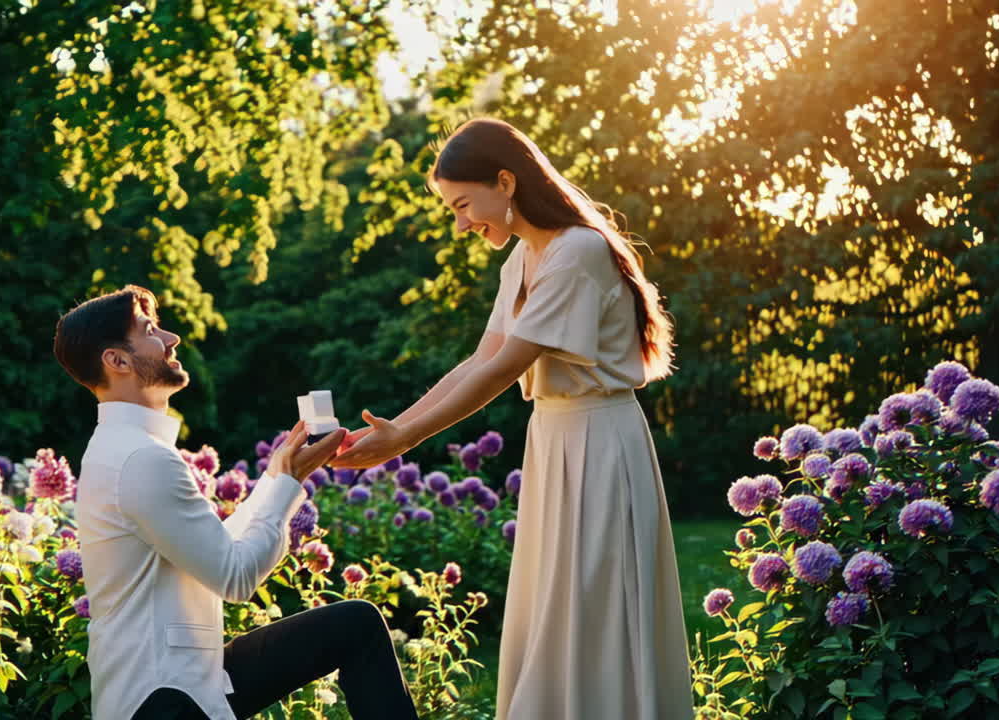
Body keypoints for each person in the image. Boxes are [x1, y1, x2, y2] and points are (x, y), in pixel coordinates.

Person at [332, 118, 692, 719]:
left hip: (600, 443)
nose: (461, 224)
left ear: (506, 181)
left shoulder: (577, 251)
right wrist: (395, 429)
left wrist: (406, 438)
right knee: (556, 603)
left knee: (595, 605)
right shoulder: (523, 258)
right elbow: (481, 359)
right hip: (554, 440)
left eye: (463, 205)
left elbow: (503, 370)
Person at [53, 285, 420, 720]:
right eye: (150, 331)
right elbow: (235, 577)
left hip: (191, 677)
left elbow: (215, 550)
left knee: (355, 626)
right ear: (117, 361)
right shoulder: (140, 459)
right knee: (357, 626)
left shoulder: (124, 447)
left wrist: (279, 477)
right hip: (166, 700)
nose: (171, 339)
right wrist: (288, 482)